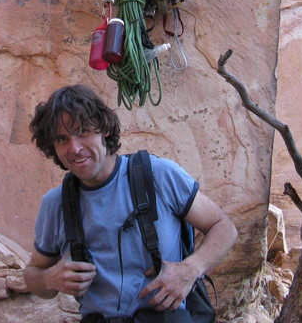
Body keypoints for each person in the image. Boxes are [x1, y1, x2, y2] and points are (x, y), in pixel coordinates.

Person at [23, 84, 238, 322]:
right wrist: (49, 279)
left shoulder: (158, 175)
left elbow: (223, 227)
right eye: (62, 139)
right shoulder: (57, 204)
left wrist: (190, 270)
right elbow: (34, 273)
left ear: (104, 130)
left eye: (83, 131)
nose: (74, 148)